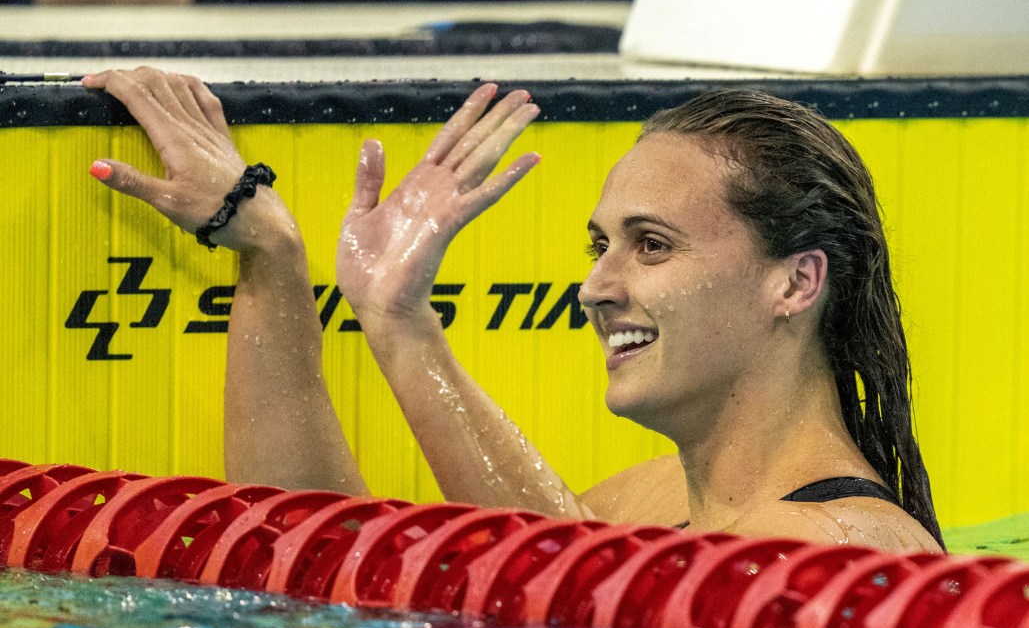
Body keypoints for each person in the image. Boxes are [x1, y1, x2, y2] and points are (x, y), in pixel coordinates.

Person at [83, 67, 944, 553]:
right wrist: (269, 255)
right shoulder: (659, 502)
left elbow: (554, 580)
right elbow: (322, 568)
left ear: (796, 282)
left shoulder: (850, 550)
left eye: (651, 245)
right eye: (598, 246)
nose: (599, 287)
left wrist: (403, 323)